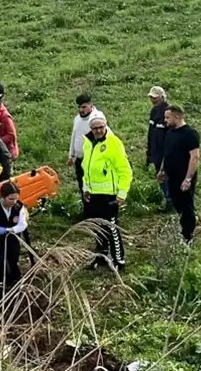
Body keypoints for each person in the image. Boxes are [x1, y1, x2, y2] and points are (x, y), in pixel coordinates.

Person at [79, 114, 133, 270]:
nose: (98, 131)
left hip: (110, 194)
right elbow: (86, 168)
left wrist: (122, 193)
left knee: (111, 227)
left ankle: (119, 260)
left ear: (106, 126)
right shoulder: (88, 142)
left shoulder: (114, 143)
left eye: (101, 127)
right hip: (93, 193)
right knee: (97, 227)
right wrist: (86, 188)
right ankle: (100, 257)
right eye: (95, 128)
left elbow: (125, 170)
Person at [157, 106, 200, 244]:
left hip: (184, 177)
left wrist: (188, 179)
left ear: (177, 117)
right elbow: (167, 153)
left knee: (186, 206)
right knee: (177, 204)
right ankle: (184, 228)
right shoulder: (170, 133)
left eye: (167, 117)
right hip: (172, 177)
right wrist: (162, 170)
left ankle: (189, 236)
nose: (165, 120)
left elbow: (194, 157)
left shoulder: (190, 134)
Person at [0, 181, 28, 308]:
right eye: (10, 199)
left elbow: (22, 225)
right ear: (3, 197)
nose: (13, 201)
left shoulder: (19, 207)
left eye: (16, 198)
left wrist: (8, 230)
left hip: (12, 239)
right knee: (0, 267)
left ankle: (13, 295)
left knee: (13, 265)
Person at [66, 94, 106, 213]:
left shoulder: (96, 120)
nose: (81, 110)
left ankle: (97, 212)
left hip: (93, 160)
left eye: (84, 107)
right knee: (82, 186)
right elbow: (74, 136)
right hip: (80, 159)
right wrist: (71, 155)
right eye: (79, 107)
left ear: (91, 105)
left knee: (94, 187)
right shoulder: (77, 119)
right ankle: (88, 211)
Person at [146, 86, 172, 210]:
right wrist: (149, 152)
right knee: (159, 175)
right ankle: (167, 199)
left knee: (167, 176)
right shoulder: (154, 111)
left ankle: (171, 200)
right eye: (151, 97)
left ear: (162, 97)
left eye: (155, 97)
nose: (153, 100)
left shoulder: (169, 112)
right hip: (156, 150)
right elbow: (151, 132)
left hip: (166, 151)